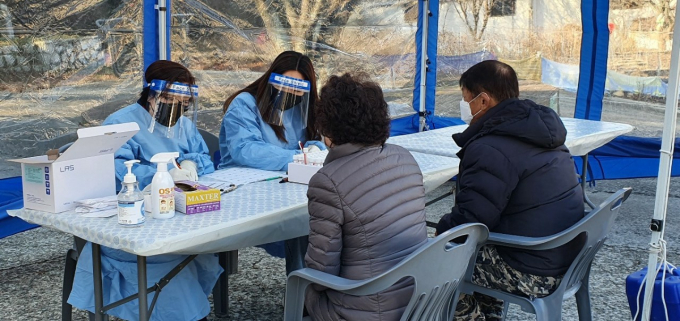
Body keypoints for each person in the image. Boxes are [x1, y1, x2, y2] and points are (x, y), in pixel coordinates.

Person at [68, 60, 222, 321]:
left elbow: (201, 155)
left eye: (183, 101)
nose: (177, 106)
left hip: (180, 216)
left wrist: (191, 164)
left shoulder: (182, 124)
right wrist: (158, 175)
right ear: (151, 93)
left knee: (206, 246)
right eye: (169, 98)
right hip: (132, 220)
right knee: (169, 263)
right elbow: (113, 170)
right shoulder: (121, 124)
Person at [434, 60, 585, 321]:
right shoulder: (540, 130)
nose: (464, 106)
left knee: (433, 268)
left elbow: (470, 223)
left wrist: (438, 236)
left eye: (465, 99)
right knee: (475, 250)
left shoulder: (490, 147)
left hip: (532, 270)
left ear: (483, 101)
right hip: (565, 257)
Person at [304, 73, 428, 321]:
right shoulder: (405, 158)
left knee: (301, 286)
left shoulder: (327, 181)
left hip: (365, 311)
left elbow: (321, 272)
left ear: (328, 127)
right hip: (420, 300)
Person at [218, 51, 325, 273]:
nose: (291, 93)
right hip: (244, 188)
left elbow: (314, 140)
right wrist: (299, 158)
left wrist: (317, 149)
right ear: (272, 79)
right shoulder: (245, 103)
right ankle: (303, 295)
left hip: (283, 184)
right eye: (286, 85)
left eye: (298, 89)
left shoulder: (301, 107)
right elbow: (245, 150)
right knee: (302, 222)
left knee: (315, 216)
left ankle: (310, 289)